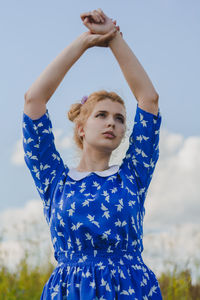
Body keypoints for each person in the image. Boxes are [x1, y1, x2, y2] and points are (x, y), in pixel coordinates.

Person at [22, 8, 163, 299]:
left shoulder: (133, 176)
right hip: (70, 291)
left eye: (120, 118)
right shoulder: (54, 181)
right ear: (81, 127)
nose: (112, 122)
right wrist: (85, 42)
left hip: (131, 290)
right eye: (102, 114)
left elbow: (148, 99)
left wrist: (114, 39)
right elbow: (34, 100)